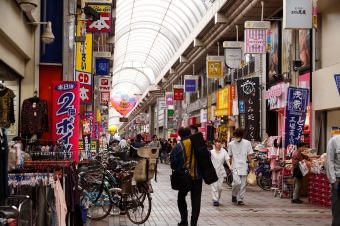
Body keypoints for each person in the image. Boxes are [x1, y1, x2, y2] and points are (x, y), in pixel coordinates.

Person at [170, 127, 202, 226]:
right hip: (197, 176)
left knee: (181, 197)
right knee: (196, 199)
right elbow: (207, 154)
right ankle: (194, 223)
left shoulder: (177, 147)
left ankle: (184, 220)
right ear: (189, 133)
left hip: (183, 178)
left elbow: (173, 164)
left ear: (179, 135)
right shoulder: (197, 144)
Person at [227, 128, 254, 205]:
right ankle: (234, 194)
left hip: (244, 165)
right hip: (234, 165)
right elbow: (230, 156)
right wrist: (230, 166)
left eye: (238, 136)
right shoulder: (231, 144)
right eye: (235, 136)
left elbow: (249, 155)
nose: (236, 138)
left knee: (243, 184)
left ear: (241, 136)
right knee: (236, 182)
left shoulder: (247, 143)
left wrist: (251, 164)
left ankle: (240, 199)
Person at [210, 138, 231, 206]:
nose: (219, 144)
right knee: (214, 186)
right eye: (218, 142)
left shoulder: (224, 151)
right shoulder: (211, 152)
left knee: (219, 187)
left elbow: (227, 159)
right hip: (213, 171)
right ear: (215, 143)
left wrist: (230, 166)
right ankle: (215, 200)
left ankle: (217, 197)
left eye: (221, 142)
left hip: (221, 171)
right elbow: (208, 161)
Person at [326, 135, 340, 225]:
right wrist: (333, 181)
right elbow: (329, 161)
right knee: (337, 209)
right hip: (339, 181)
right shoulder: (334, 141)